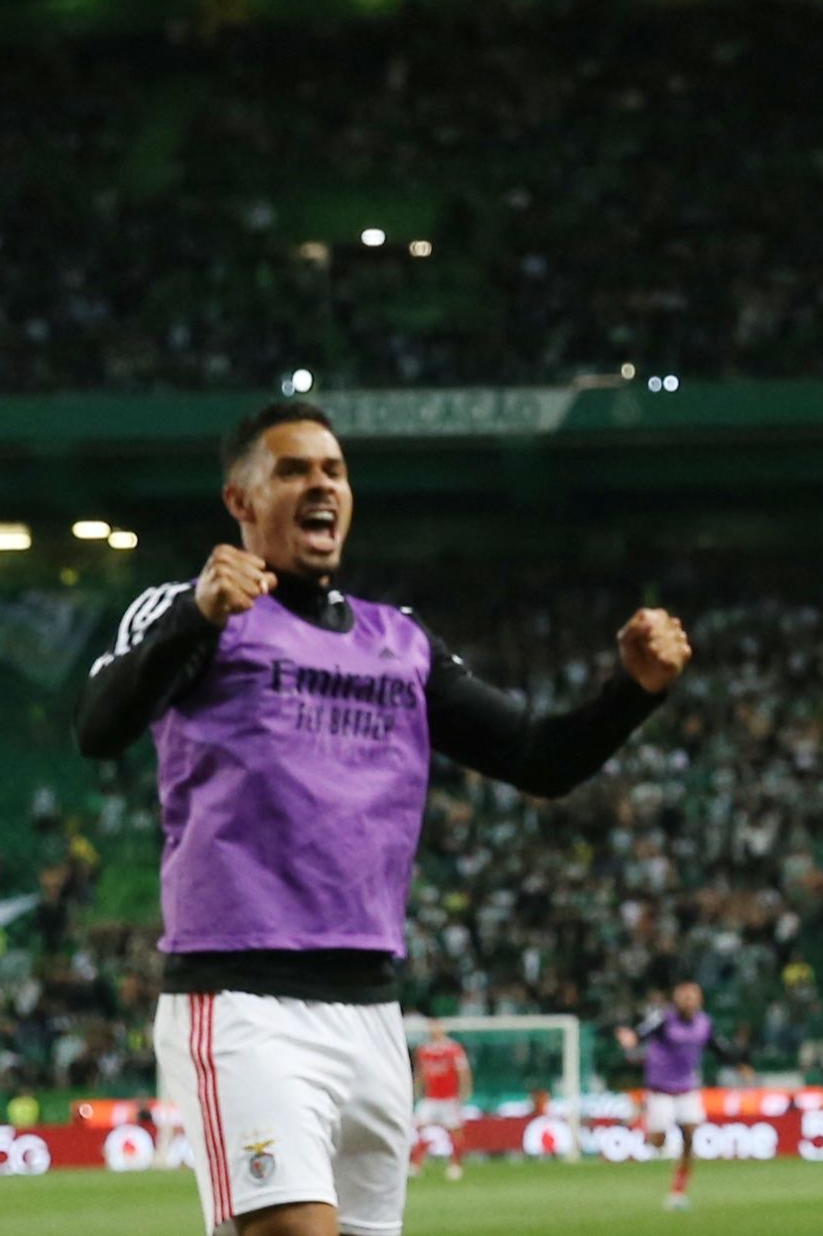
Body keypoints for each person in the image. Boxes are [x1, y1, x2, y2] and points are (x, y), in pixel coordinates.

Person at [77, 401, 692, 1236]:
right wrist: (197, 611)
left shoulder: (398, 642)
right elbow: (99, 728)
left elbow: (542, 760)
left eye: (333, 470)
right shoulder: (188, 613)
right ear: (240, 501)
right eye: (293, 470)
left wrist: (634, 692)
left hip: (371, 1011)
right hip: (244, 998)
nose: (321, 484)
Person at [616, 981, 717, 1212]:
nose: (688, 1001)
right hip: (660, 1089)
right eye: (684, 997)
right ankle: (642, 1116)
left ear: (699, 1000)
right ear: (676, 1000)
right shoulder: (664, 1019)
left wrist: (740, 1063)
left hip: (687, 1089)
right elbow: (642, 1033)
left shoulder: (704, 1023)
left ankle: (678, 1191)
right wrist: (631, 1039)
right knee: (658, 1141)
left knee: (690, 1134)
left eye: (692, 997)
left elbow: (717, 1045)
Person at [410, 1021, 470, 1182]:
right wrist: (417, 1089)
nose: (434, 1031)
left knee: (455, 1131)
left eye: (437, 1028)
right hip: (430, 1098)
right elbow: (421, 1072)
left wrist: (463, 1091)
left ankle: (456, 1165)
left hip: (449, 1098)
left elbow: (463, 1071)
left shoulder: (453, 1049)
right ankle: (416, 1164)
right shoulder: (424, 1050)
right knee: (418, 1129)